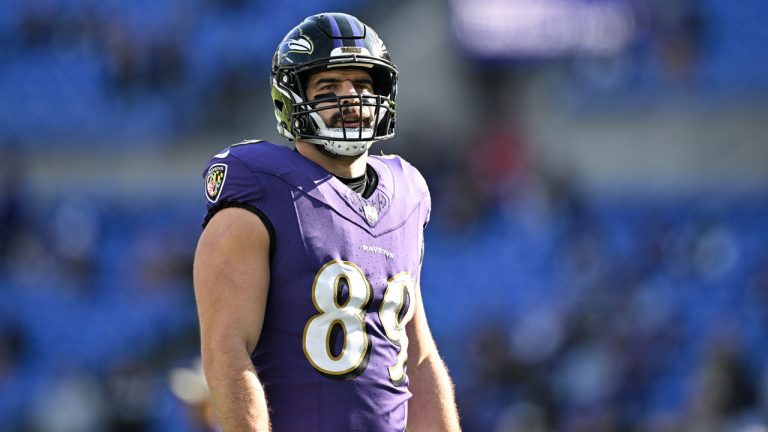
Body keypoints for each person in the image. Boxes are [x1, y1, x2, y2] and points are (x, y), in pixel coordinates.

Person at [193, 12, 461, 431]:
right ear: (293, 98)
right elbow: (226, 350)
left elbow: (419, 358)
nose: (351, 98)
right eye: (329, 87)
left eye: (362, 84)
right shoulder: (262, 189)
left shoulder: (407, 194)